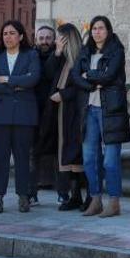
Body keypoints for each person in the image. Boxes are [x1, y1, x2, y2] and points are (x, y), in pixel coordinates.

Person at [73, 16, 130, 218]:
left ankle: (114, 202)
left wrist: (88, 76)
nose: (97, 32)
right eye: (94, 28)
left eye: (101, 28)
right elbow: (75, 77)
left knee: (110, 161)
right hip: (89, 110)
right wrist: (91, 83)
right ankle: (96, 200)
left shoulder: (117, 51)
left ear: (108, 31)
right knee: (89, 158)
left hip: (111, 111)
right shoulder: (85, 51)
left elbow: (110, 76)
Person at [0, 20, 41, 214]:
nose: (8, 36)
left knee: (23, 158)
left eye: (12, 33)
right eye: (5, 33)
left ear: (21, 36)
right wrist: (18, 86)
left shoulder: (31, 55)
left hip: (24, 116)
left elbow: (33, 78)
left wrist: (8, 80)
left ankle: (23, 196)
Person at [48, 23, 88, 211]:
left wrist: (63, 95)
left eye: (58, 38)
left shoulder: (82, 58)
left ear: (66, 39)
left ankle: (89, 197)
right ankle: (75, 196)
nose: (56, 41)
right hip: (62, 113)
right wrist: (56, 53)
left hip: (77, 112)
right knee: (67, 153)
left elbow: (84, 85)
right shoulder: (62, 59)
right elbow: (47, 75)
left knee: (78, 152)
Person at [30, 26, 59, 205]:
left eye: (48, 38)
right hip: (33, 111)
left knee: (58, 153)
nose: (45, 41)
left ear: (54, 40)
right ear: (35, 39)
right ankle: (31, 193)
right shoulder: (29, 57)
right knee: (32, 153)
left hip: (55, 110)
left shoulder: (60, 57)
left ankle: (62, 193)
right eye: (41, 38)